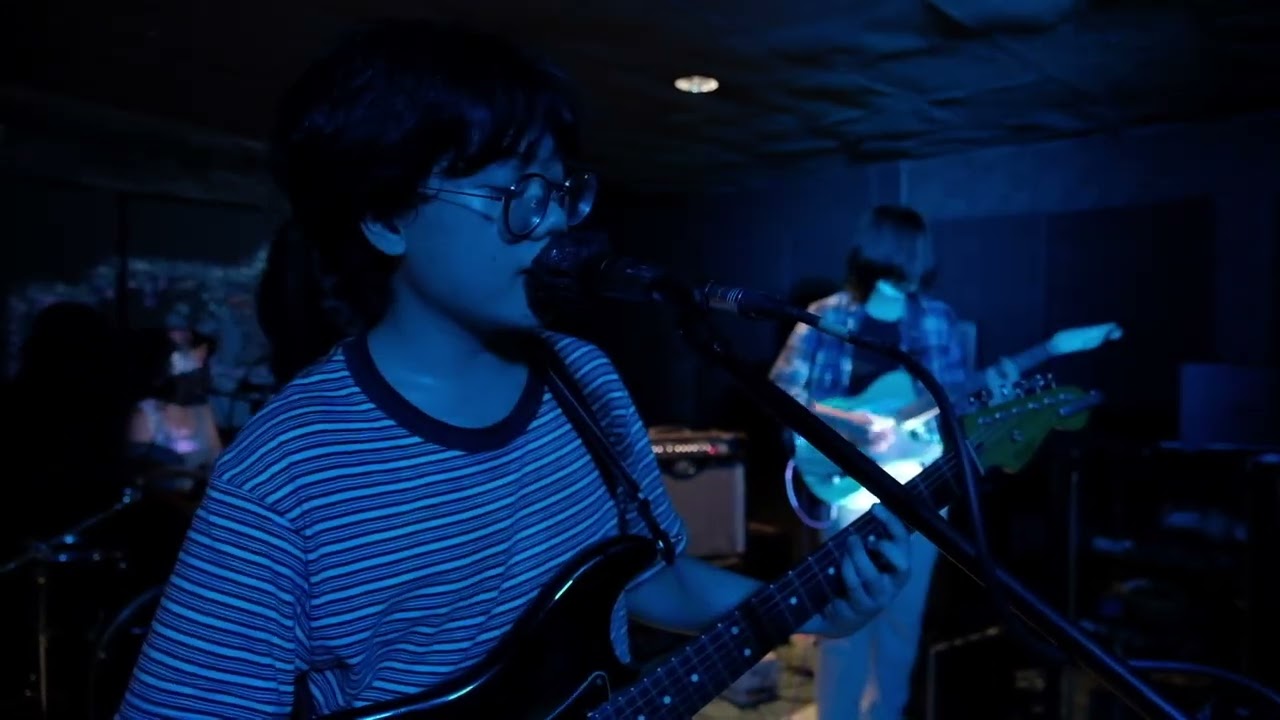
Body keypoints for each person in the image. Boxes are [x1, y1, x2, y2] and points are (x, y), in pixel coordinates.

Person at [116, 20, 914, 718]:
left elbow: (644, 580)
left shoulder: (586, 380)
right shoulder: (284, 473)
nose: (555, 222)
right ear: (388, 216)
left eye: (560, 190)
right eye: (514, 192)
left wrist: (815, 609)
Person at [770, 205, 1120, 720]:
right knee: (844, 622)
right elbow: (780, 393)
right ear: (886, 253)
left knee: (902, 623)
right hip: (849, 491)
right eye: (913, 253)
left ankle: (885, 714)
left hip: (922, 490)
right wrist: (853, 423)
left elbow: (955, 403)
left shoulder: (935, 318)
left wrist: (1042, 355)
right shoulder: (825, 315)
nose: (921, 264)